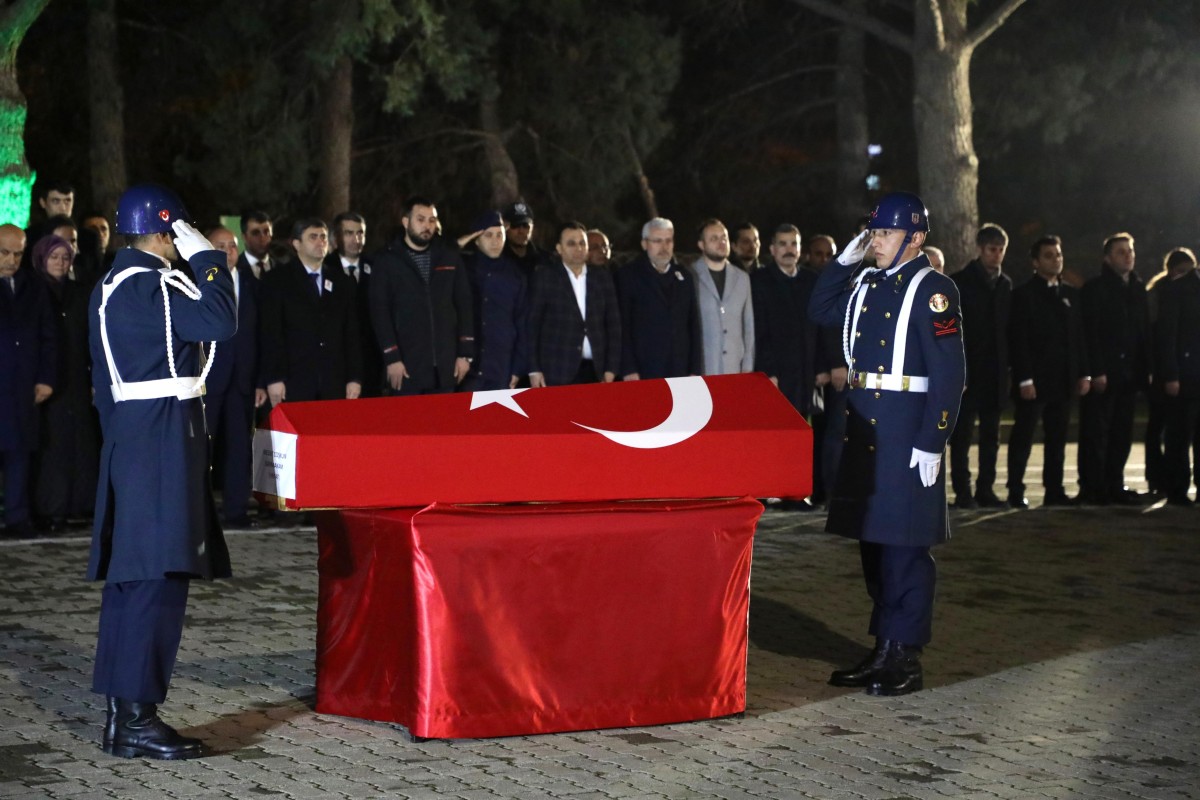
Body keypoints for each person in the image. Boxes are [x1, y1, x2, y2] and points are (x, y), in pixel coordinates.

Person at [87, 183, 236, 759]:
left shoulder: (118, 283)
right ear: (166, 226)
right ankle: (136, 719)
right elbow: (220, 320)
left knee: (137, 581)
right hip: (159, 439)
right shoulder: (146, 283)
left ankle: (125, 718)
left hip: (140, 435)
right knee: (156, 579)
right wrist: (207, 258)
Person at [808, 192, 964, 697]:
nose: (876, 241)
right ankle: (883, 647)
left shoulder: (934, 290)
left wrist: (932, 440)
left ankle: (905, 656)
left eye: (885, 234)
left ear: (915, 239)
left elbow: (948, 373)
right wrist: (844, 259)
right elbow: (820, 308)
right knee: (874, 545)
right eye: (873, 233)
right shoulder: (868, 282)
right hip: (868, 429)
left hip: (905, 432)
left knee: (906, 549)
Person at [1007, 235, 1090, 508]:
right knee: (1024, 436)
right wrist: (1025, 378)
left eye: (1058, 254)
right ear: (1035, 261)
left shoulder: (1070, 295)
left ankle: (1054, 490)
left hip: (1063, 379)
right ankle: (1015, 490)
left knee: (1058, 437)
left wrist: (1082, 373)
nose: (1056, 259)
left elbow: (1078, 338)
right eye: (1049, 255)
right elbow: (1019, 340)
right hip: (1035, 380)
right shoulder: (1023, 295)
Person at [752, 224, 827, 510]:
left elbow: (819, 327)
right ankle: (767, 490)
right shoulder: (759, 280)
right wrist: (767, 371)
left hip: (805, 370)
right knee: (771, 435)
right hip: (774, 372)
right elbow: (758, 328)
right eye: (782, 244)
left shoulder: (810, 280)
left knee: (799, 434)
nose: (788, 250)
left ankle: (795, 493)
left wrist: (821, 366)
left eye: (793, 244)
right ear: (771, 250)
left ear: (800, 249)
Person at [369, 196, 474, 395]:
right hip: (407, 368)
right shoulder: (387, 261)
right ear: (406, 222)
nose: (427, 225)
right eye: (420, 219)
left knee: (444, 424)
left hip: (446, 368)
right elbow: (380, 312)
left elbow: (464, 304)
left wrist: (465, 354)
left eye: (431, 220)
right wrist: (392, 358)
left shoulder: (449, 256)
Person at [1078, 233, 1151, 505]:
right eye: (1121, 252)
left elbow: (1142, 332)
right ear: (1108, 258)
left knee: (1122, 432)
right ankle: (1093, 486)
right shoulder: (1095, 289)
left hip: (1128, 373)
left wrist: (1145, 369)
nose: (1128, 255)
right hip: (1105, 373)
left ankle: (1114, 483)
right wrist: (1097, 369)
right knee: (1096, 432)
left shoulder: (1137, 287)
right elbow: (1091, 333)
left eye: (1130, 250)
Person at [32, 234, 97, 532]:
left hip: (76, 376)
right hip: (44, 380)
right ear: (41, 259)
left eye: (65, 257)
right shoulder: (32, 290)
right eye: (53, 257)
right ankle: (50, 507)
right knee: (51, 446)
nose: (60, 262)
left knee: (79, 442)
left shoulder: (79, 292)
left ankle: (79, 504)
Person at [259, 218, 363, 404]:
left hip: (334, 381)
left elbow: (351, 333)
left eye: (323, 237)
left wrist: (354, 377)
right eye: (313, 237)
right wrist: (274, 377)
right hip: (293, 380)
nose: (320, 242)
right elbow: (271, 333)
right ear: (296, 244)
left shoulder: (342, 282)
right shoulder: (277, 280)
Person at [948, 224, 1013, 509]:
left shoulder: (1005, 285)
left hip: (995, 371)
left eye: (1000, 250)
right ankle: (963, 491)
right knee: (961, 437)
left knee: (991, 436)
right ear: (979, 249)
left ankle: (985, 489)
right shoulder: (959, 282)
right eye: (991, 250)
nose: (996, 256)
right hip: (968, 371)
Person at [204, 227, 263, 528]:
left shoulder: (253, 281)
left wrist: (261, 380)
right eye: (220, 245)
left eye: (232, 246)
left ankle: (236, 510)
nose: (228, 251)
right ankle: (199, 512)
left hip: (243, 379)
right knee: (204, 446)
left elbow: (262, 334)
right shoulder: (196, 281)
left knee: (240, 446)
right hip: (207, 379)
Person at [0, 224, 56, 539]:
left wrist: (46, 378)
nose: (11, 260)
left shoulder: (33, 287)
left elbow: (49, 336)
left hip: (23, 385)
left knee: (20, 451)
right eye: (4, 252)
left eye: (18, 253)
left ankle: (18, 517)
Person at [528, 222, 621, 386]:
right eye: (571, 244)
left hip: (597, 371)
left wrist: (611, 368)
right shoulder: (546, 278)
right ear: (559, 248)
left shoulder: (602, 278)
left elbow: (613, 325)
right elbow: (532, 325)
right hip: (557, 370)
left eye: (582, 243)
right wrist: (534, 369)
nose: (578, 248)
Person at [615, 217, 701, 381]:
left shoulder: (684, 277)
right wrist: (628, 368)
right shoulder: (627, 276)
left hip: (680, 370)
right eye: (658, 241)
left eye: (668, 241)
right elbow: (622, 327)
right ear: (644, 244)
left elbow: (693, 326)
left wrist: (694, 369)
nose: (664, 247)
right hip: (643, 370)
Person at [1152, 247, 1200, 504]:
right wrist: (1171, 374)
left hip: (1190, 373)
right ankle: (1177, 488)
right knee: (1179, 434)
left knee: (1182, 435)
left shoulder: (1181, 289)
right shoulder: (1177, 290)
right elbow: (1168, 336)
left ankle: (1180, 488)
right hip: (1184, 374)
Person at [459, 211, 528, 390]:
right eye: (488, 235)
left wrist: (518, 368)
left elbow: (522, 322)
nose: (495, 241)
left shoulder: (515, 274)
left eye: (500, 235)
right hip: (467, 366)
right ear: (476, 239)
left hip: (501, 366)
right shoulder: (463, 269)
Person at [325, 211, 382, 397]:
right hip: (335, 363)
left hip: (371, 361)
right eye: (349, 233)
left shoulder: (376, 267)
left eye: (360, 233)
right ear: (336, 238)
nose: (356, 239)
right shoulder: (324, 268)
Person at [691, 219, 754, 376]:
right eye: (714, 239)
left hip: (734, 369)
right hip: (703, 368)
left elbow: (748, 325)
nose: (721, 242)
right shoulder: (690, 276)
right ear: (701, 245)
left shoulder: (742, 278)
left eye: (724, 238)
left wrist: (747, 365)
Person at [502, 200, 548, 276]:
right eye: (515, 226)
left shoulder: (544, 260)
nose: (521, 231)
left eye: (525, 226)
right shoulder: (497, 260)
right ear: (505, 228)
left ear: (532, 228)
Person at [238, 210, 275, 279]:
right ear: (244, 237)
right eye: (255, 233)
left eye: (266, 232)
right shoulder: (233, 269)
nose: (262, 238)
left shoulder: (282, 269)